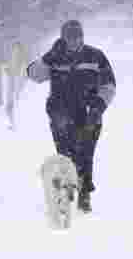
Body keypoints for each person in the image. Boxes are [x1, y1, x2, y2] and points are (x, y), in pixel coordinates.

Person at [26, 20, 115, 213]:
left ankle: (84, 194)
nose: (75, 42)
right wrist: (48, 57)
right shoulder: (56, 57)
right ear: (64, 39)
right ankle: (66, 193)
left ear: (82, 37)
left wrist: (98, 107)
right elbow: (33, 75)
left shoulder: (95, 57)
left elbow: (108, 86)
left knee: (85, 155)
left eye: (78, 37)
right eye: (70, 38)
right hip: (60, 115)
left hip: (90, 115)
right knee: (66, 156)